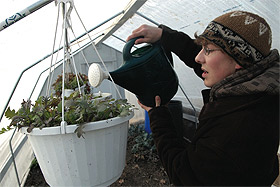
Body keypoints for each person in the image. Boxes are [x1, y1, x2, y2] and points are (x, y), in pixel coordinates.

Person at [126, 10, 279, 185]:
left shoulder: (235, 126)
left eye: (207, 50)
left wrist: (158, 115)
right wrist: (164, 35)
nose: (198, 58)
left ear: (239, 59)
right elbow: (209, 60)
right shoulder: (258, 89)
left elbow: (184, 174)